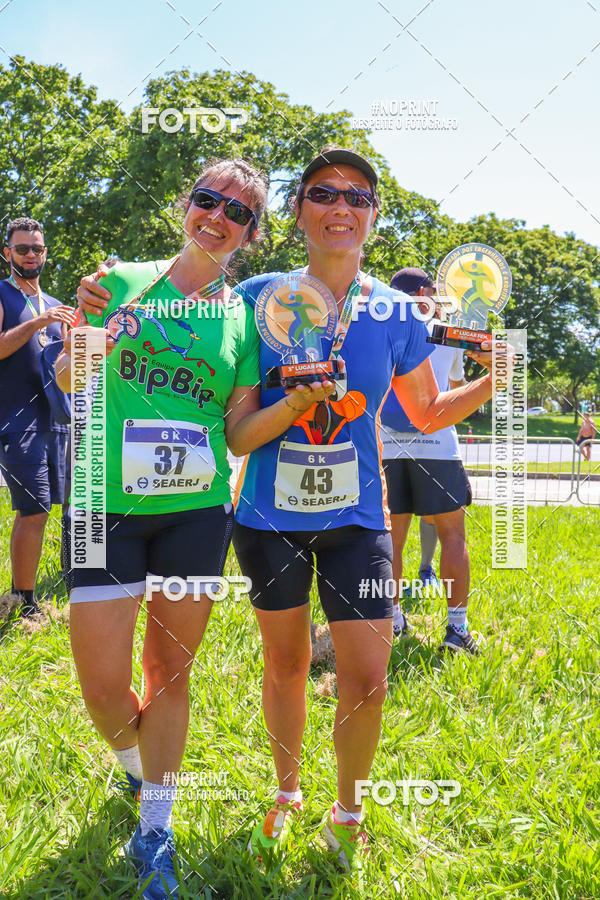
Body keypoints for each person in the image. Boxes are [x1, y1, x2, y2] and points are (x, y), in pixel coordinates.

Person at [78, 147, 514, 875]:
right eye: (323, 194)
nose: (341, 207)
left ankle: (348, 811)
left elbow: (426, 411)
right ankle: (286, 793)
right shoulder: (256, 297)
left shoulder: (395, 311)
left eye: (358, 197)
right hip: (266, 518)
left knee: (368, 677)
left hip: (360, 518)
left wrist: (494, 380)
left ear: (374, 216)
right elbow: (208, 382)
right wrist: (98, 308)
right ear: (299, 212)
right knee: (282, 664)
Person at [60, 158, 333, 900]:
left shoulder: (243, 318)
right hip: (99, 504)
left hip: (194, 511)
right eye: (209, 200)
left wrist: (296, 408)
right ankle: (136, 769)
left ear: (250, 233)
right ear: (186, 205)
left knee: (169, 675)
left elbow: (240, 433)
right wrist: (91, 338)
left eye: (238, 212)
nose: (218, 217)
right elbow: (68, 379)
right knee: (103, 684)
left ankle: (157, 827)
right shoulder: (119, 281)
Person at [380, 268, 478, 653]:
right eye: (434, 292)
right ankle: (457, 630)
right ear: (423, 292)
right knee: (453, 536)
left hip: (386, 446)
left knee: (392, 541)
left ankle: (394, 618)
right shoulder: (446, 334)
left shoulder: (380, 328)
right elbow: (454, 393)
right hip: (437, 445)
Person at [0, 217, 77, 617]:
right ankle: (22, 600)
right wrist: (38, 323)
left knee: (68, 506)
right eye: (23, 248)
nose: (31, 255)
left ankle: (73, 582)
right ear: (7, 253)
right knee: (34, 510)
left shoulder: (55, 305)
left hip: (61, 420)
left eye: (38, 248)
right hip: (18, 421)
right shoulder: (4, 295)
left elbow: (70, 367)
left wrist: (74, 343)